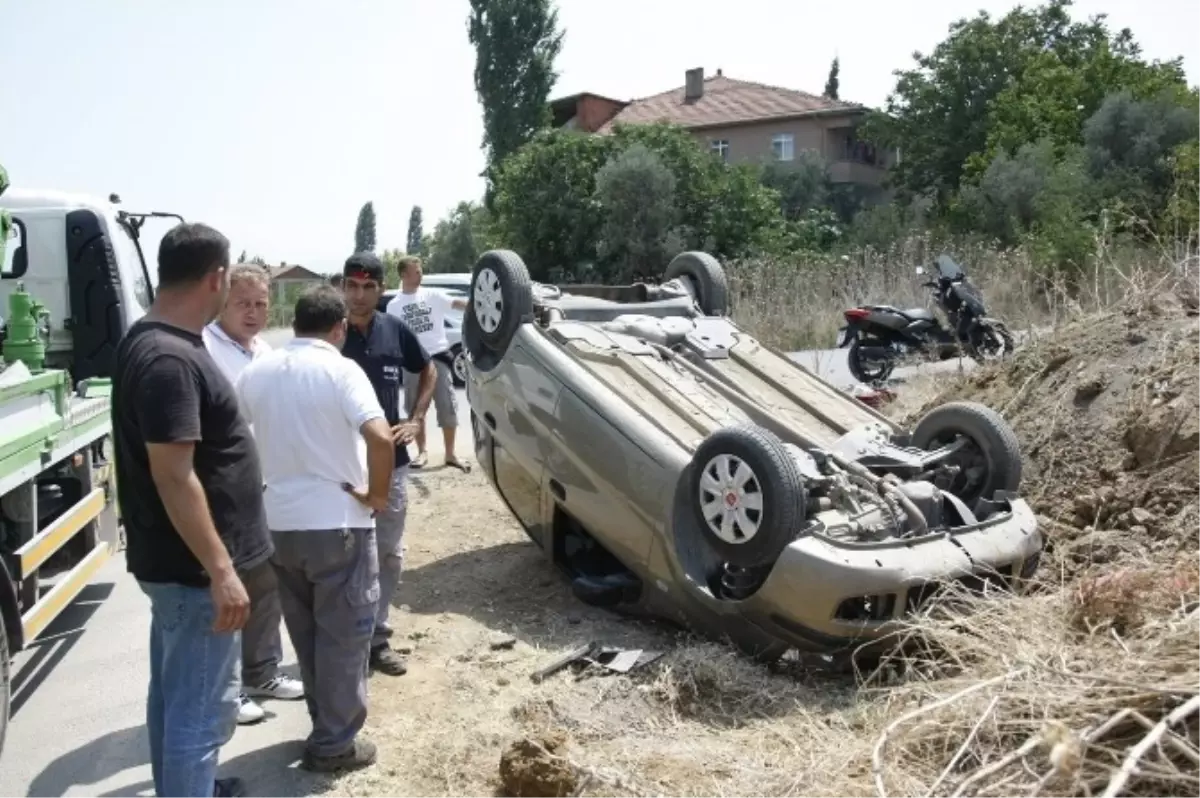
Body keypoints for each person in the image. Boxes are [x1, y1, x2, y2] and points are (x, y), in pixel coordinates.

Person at [111, 222, 269, 798]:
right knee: (200, 717)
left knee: (176, 700)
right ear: (216, 278)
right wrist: (223, 571)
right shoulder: (169, 359)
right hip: (194, 573)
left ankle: (190, 787)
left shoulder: (152, 339)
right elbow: (174, 477)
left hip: (178, 568)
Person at [235, 285, 396, 774]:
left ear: (295, 321)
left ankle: (322, 724)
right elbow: (380, 437)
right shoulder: (341, 370)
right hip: (337, 523)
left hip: (278, 526)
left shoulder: (256, 371)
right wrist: (378, 497)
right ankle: (334, 744)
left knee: (304, 634)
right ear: (339, 327)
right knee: (343, 636)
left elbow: (230, 437)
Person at [201, 262, 305, 725]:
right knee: (227, 590)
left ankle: (261, 672)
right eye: (243, 303)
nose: (253, 312)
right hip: (221, 490)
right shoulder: (204, 347)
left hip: (265, 485)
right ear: (223, 302)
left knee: (267, 583)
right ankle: (225, 692)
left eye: (261, 303)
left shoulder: (264, 349)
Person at [340, 252, 435, 677]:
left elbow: (428, 369)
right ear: (342, 287)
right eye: (351, 286)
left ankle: (377, 637)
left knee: (389, 554)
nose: (358, 296)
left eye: (367, 287)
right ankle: (345, 642)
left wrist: (416, 419)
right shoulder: (331, 334)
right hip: (342, 465)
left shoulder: (395, 331)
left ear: (380, 290)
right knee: (343, 555)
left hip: (392, 464)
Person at [384, 255, 468, 470]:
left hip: (438, 359)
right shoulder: (394, 305)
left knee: (447, 406)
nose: (421, 274)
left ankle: (450, 454)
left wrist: (480, 306)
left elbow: (458, 304)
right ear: (404, 274)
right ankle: (422, 453)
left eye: (421, 270)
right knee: (415, 410)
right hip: (413, 363)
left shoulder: (432, 295)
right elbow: (392, 336)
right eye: (417, 271)